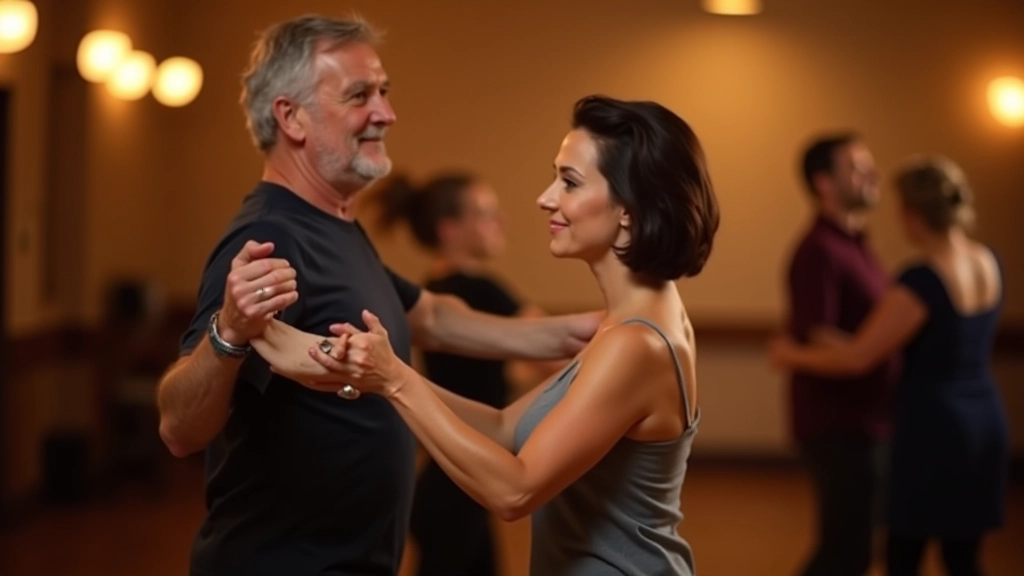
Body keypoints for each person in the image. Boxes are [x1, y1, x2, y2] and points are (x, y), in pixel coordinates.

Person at [155, 14, 600, 576]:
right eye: (359, 95)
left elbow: (433, 317)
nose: (386, 113)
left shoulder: (337, 226)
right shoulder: (272, 235)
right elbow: (178, 428)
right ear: (291, 117)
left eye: (384, 92)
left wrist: (590, 328)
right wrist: (228, 333)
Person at [257, 94, 721, 576]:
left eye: (569, 182)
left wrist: (394, 379)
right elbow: (502, 428)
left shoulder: (636, 344)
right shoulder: (627, 325)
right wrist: (376, 376)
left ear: (629, 208)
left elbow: (513, 491)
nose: (546, 198)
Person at [769, 154, 1008, 576]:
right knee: (963, 557)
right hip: (984, 418)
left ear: (913, 215)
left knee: (903, 554)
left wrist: (789, 354)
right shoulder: (987, 260)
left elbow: (859, 356)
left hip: (933, 427)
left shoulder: (922, 280)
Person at [373, 171, 561, 575]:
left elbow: (481, 378)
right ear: (450, 229)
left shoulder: (435, 288)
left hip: (453, 475)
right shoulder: (478, 291)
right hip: (458, 483)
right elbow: (556, 356)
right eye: (485, 213)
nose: (501, 221)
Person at [781, 133, 900, 576]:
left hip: (870, 419)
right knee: (844, 552)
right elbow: (818, 337)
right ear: (824, 182)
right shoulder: (818, 250)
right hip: (839, 424)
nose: (872, 174)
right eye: (857, 167)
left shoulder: (857, 244)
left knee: (855, 549)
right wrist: (871, 351)